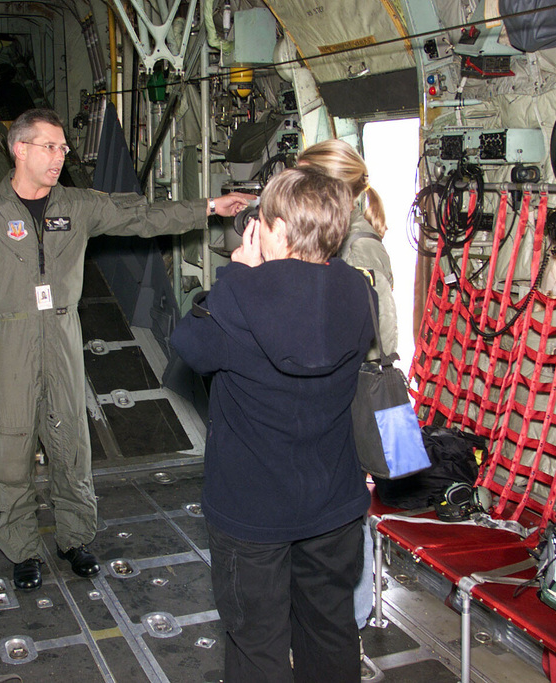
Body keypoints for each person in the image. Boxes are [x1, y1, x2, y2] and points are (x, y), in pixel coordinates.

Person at [0, 108, 253, 591]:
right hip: (6, 342)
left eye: (62, 148)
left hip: (62, 335)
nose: (60, 156)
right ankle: (20, 549)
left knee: (70, 441)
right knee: (9, 448)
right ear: (20, 149)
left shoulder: (76, 205)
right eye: (50, 147)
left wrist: (208, 206)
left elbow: (140, 215)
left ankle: (75, 537)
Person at [170, 167, 377, 682]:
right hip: (333, 502)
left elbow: (188, 347)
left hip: (252, 510)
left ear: (277, 231)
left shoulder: (237, 298)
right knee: (330, 631)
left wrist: (239, 270)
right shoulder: (359, 292)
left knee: (256, 642)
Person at [297, 139, 398, 636]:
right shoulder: (341, 239)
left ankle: (353, 618)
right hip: (351, 385)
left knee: (352, 507)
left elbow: (385, 331)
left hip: (360, 390)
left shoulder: (358, 248)